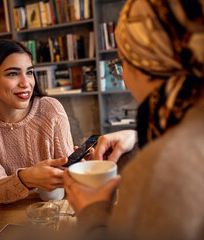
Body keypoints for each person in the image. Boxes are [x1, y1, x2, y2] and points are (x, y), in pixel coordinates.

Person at [63, 0, 204, 239]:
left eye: (123, 62)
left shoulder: (158, 169)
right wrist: (137, 138)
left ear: (148, 63)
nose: (124, 80)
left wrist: (92, 212)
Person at [0, 39, 73, 204]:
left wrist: (81, 169)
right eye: (12, 73)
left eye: (29, 72)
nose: (26, 83)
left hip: (55, 208)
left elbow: (68, 178)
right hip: (11, 212)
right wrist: (27, 178)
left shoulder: (51, 109)